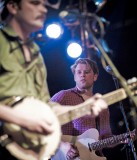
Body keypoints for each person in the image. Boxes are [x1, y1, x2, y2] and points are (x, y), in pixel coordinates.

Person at [0, 1, 108, 160]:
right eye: (35, 3)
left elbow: (46, 106)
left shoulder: (35, 53)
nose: (43, 9)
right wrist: (21, 120)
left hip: (29, 152)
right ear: (13, 6)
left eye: (44, 4)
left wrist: (84, 108)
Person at [50, 58, 137, 160]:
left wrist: (122, 139)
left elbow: (105, 138)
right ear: (74, 76)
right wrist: (63, 146)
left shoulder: (102, 105)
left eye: (86, 72)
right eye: (78, 72)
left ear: (95, 76)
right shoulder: (63, 96)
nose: (82, 75)